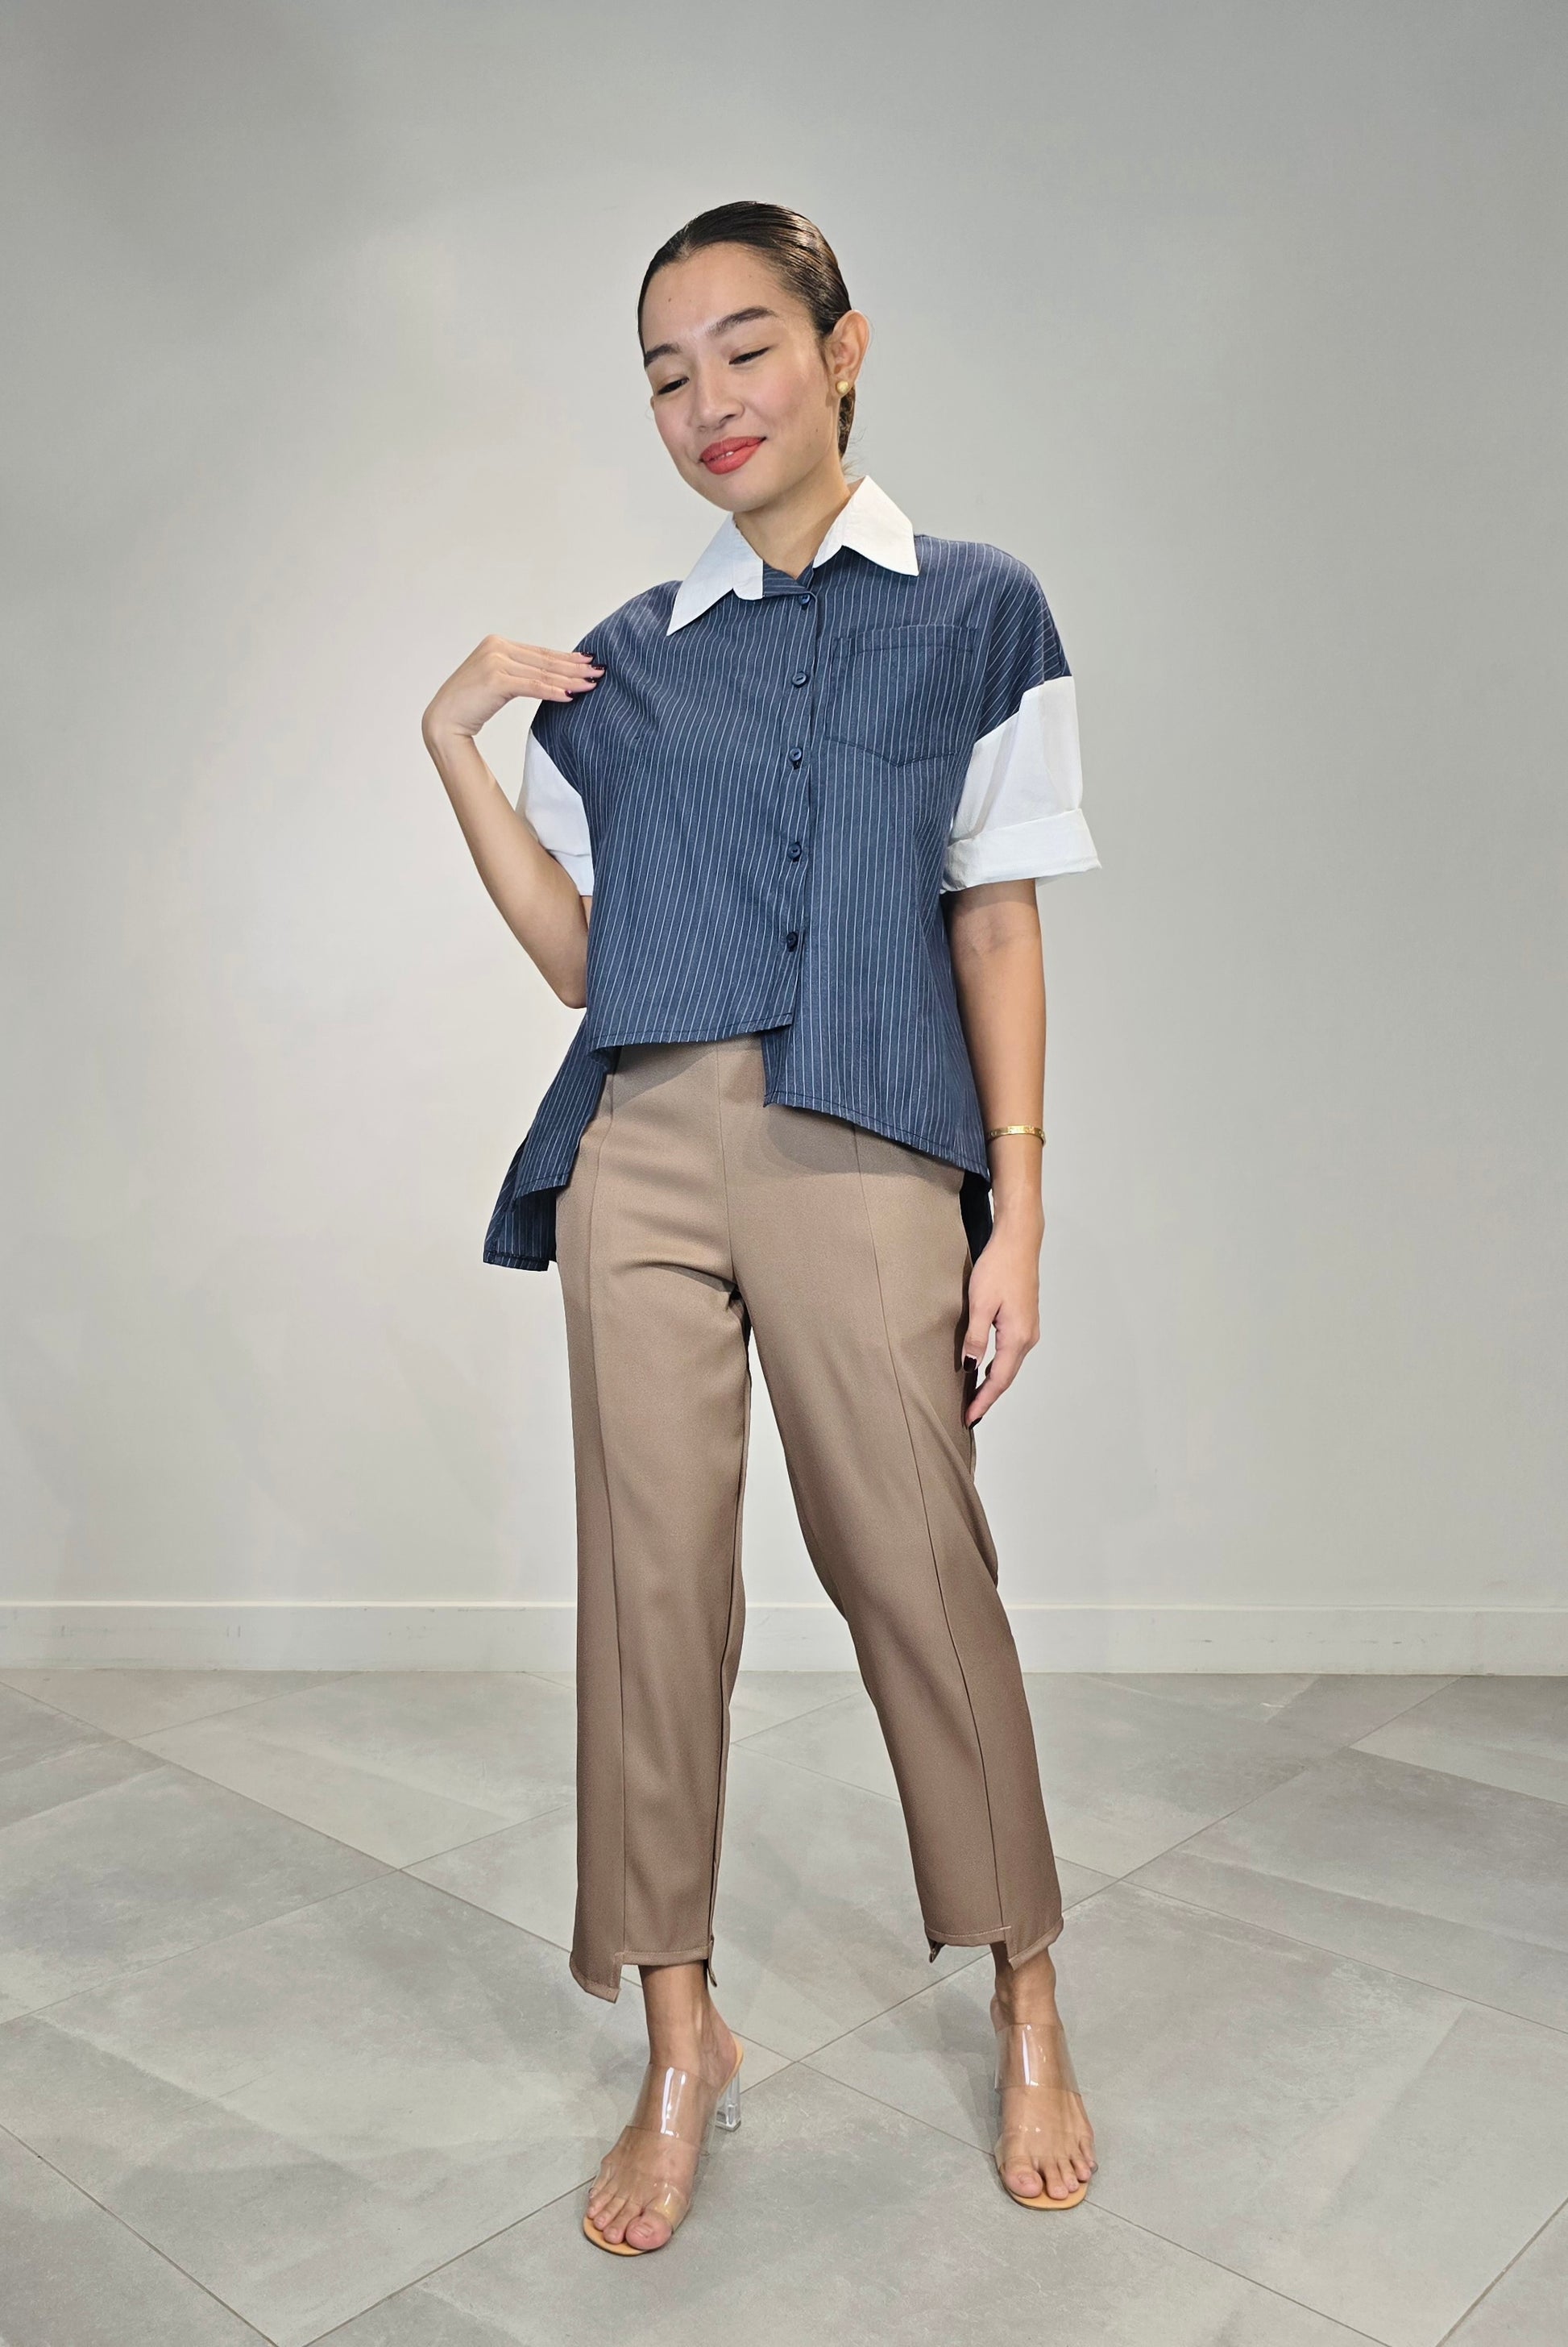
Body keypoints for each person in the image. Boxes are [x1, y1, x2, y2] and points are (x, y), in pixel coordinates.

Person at [421, 200, 1101, 2256]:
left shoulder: (977, 608)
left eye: (743, 347)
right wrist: (454, 747)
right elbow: (581, 958)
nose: (706, 399)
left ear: (840, 348)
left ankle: (1028, 1991)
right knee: (651, 1595)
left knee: (916, 1565)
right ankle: (678, 2034)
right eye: (664, 372)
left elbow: (996, 917)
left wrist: (1015, 1209)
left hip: (864, 1137)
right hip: (641, 1147)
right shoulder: (626, 661)